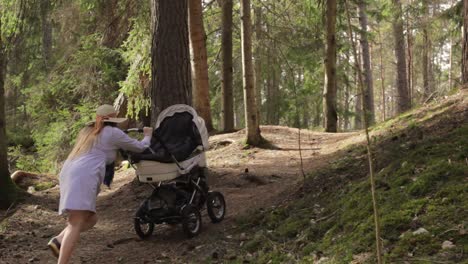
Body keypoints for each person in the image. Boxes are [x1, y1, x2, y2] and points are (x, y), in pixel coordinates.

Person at [47, 104, 152, 264]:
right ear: (112, 120)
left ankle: (59, 240)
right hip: (84, 175)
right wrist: (147, 135)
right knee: (76, 223)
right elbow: (139, 147)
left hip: (69, 172)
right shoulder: (112, 132)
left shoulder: (87, 131)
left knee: (91, 219)